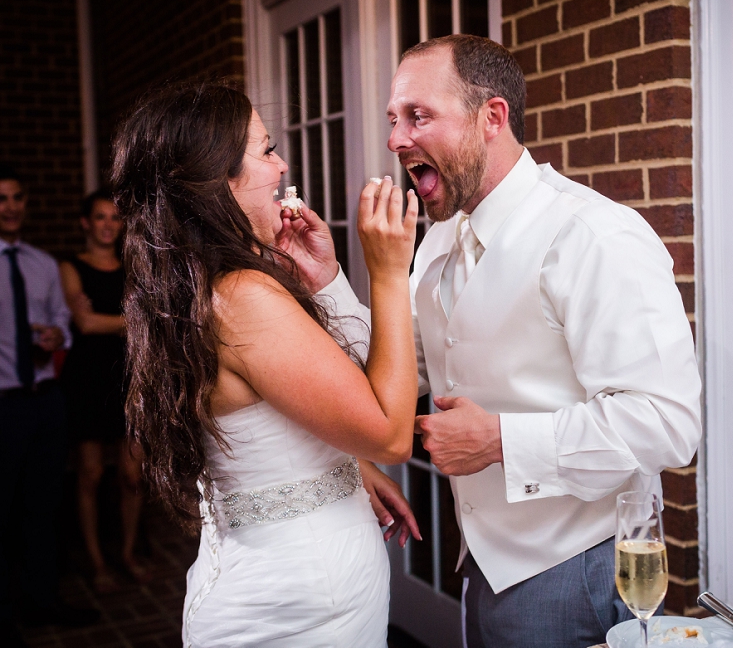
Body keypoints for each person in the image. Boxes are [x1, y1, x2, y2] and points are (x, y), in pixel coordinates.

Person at [381, 35, 700, 646]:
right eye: (394, 120)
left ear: (491, 118)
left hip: (575, 570)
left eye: (418, 116)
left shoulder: (594, 235)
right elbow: (411, 363)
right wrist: (330, 283)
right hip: (481, 566)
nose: (397, 139)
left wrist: (500, 440)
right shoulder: (439, 243)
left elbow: (667, 421)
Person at [111, 82, 422, 647]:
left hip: (299, 584)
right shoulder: (242, 296)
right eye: (265, 149)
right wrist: (388, 273)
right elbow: (391, 433)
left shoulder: (201, 286)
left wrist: (326, 281)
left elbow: (293, 420)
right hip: (297, 608)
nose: (281, 165)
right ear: (218, 181)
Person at [0, 165, 98, 647]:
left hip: (43, 402)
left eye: (18, 197)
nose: (11, 207)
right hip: (1, 405)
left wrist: (56, 333)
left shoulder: (41, 263)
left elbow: (61, 320)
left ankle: (43, 603)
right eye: (2, 198)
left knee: (43, 508)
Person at [59, 188, 148, 593]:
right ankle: (96, 561)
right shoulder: (69, 267)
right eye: (99, 217)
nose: (108, 224)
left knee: (131, 474)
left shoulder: (132, 267)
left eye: (114, 217)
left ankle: (127, 553)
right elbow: (86, 324)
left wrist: (109, 317)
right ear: (85, 223)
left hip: (128, 377)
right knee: (91, 474)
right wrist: (133, 320)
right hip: (87, 379)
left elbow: (105, 318)